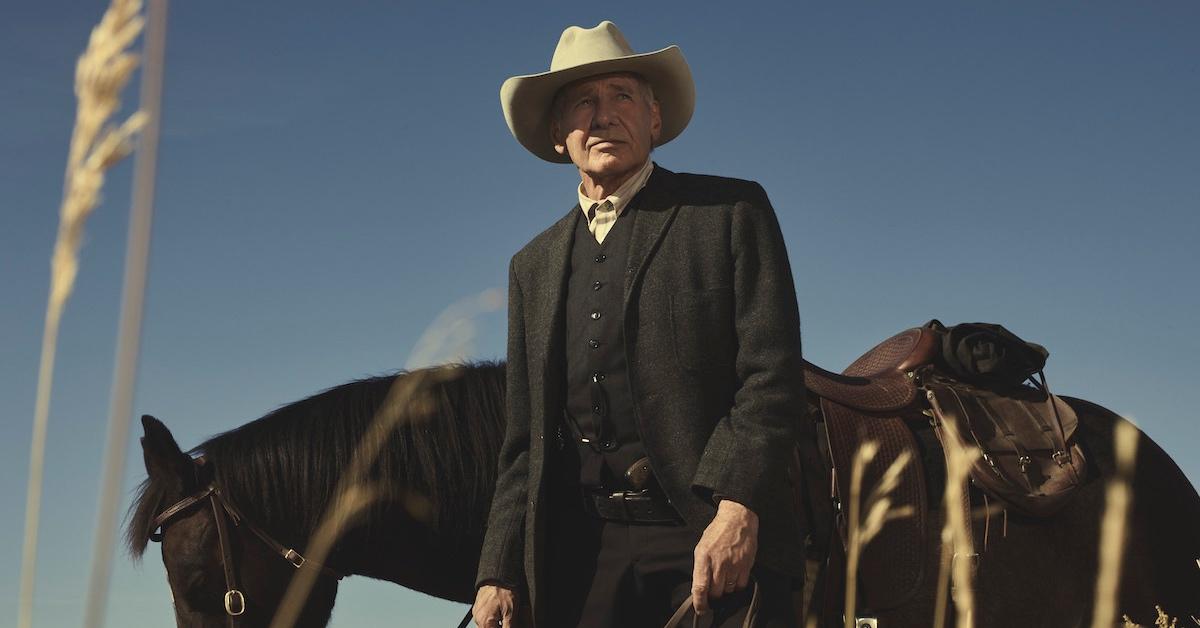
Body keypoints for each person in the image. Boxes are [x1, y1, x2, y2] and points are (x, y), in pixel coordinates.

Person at [472, 21, 807, 628]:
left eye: (622, 96)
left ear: (654, 120)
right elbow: (523, 440)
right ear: (558, 134)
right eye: (583, 102)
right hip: (583, 550)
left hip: (707, 534)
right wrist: (498, 569)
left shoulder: (730, 213)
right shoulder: (532, 266)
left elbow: (771, 378)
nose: (603, 116)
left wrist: (737, 508)